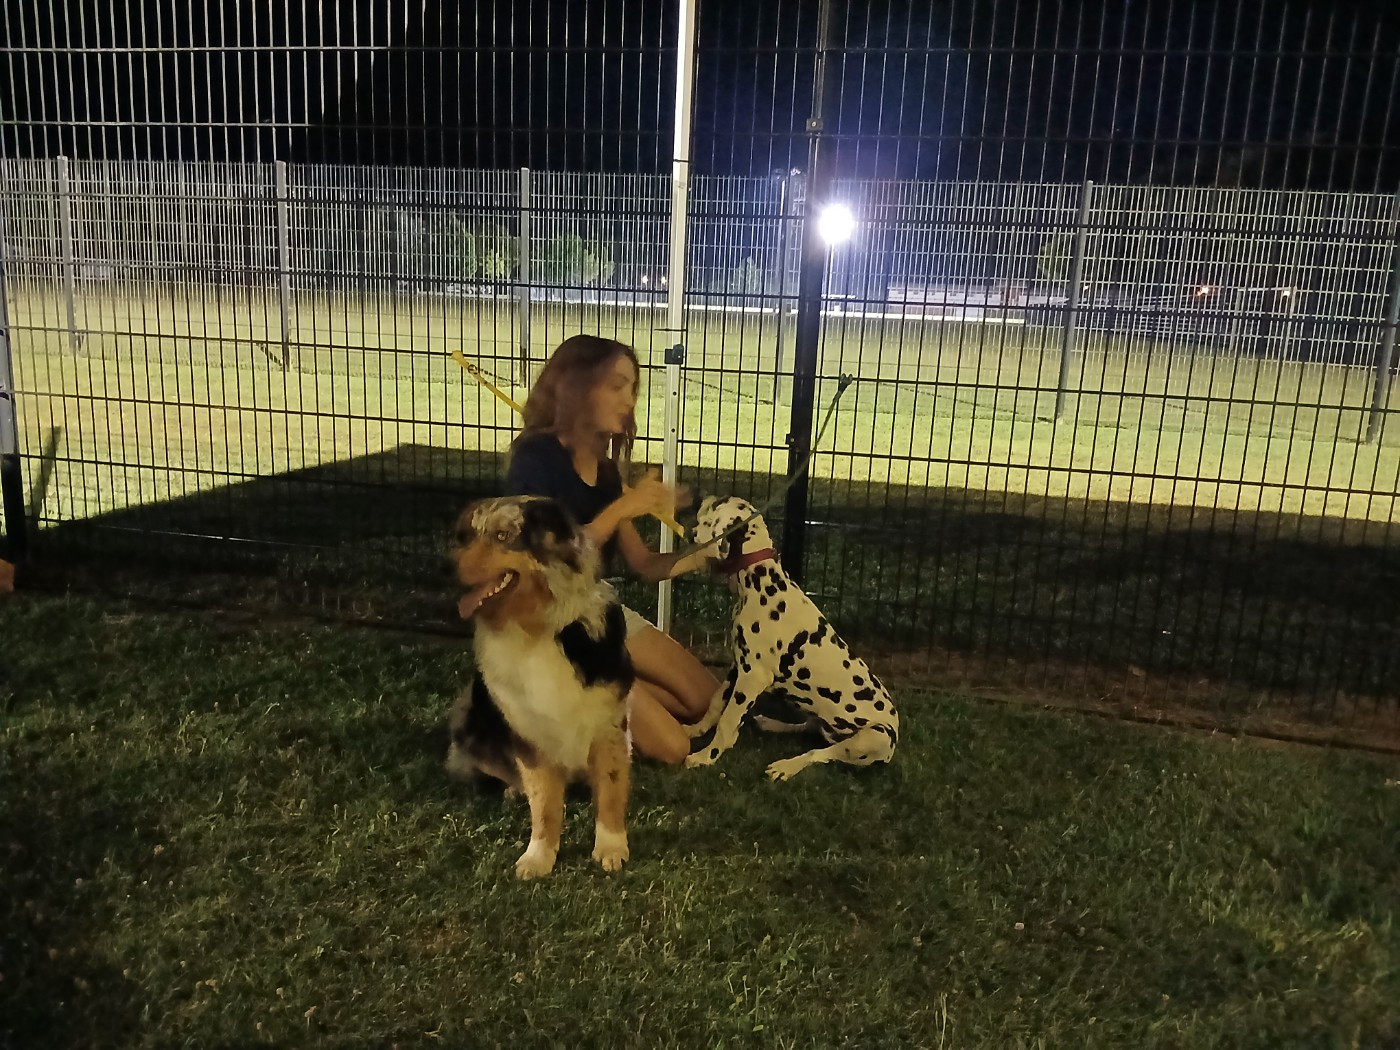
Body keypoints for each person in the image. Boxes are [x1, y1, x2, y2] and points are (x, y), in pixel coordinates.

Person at [502, 333, 720, 765]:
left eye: (633, 388)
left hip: (596, 610)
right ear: (578, 387)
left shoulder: (604, 472)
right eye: (616, 385)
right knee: (675, 747)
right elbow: (548, 555)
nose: (629, 399)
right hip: (551, 623)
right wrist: (626, 504)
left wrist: (706, 554)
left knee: (708, 703)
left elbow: (643, 564)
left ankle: (586, 694)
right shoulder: (536, 456)